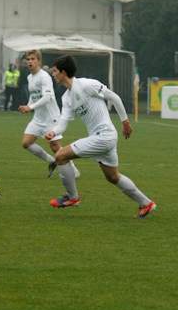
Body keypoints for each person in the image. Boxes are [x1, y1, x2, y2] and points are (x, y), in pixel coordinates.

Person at [45, 54, 156, 218]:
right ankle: (147, 203)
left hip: (104, 136)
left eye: (54, 71)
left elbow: (113, 97)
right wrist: (54, 132)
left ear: (62, 72)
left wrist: (125, 121)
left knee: (61, 156)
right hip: (101, 139)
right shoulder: (66, 97)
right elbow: (63, 122)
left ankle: (72, 198)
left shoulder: (87, 84)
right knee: (113, 176)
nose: (52, 74)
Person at [18, 49, 78, 178]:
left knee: (55, 147)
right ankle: (51, 160)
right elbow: (34, 96)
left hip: (51, 117)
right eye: (28, 59)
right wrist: (28, 106)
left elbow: (46, 97)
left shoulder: (44, 76)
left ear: (39, 61)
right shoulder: (30, 77)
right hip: (38, 117)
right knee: (26, 143)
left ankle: (73, 169)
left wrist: (30, 107)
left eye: (33, 59)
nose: (30, 62)